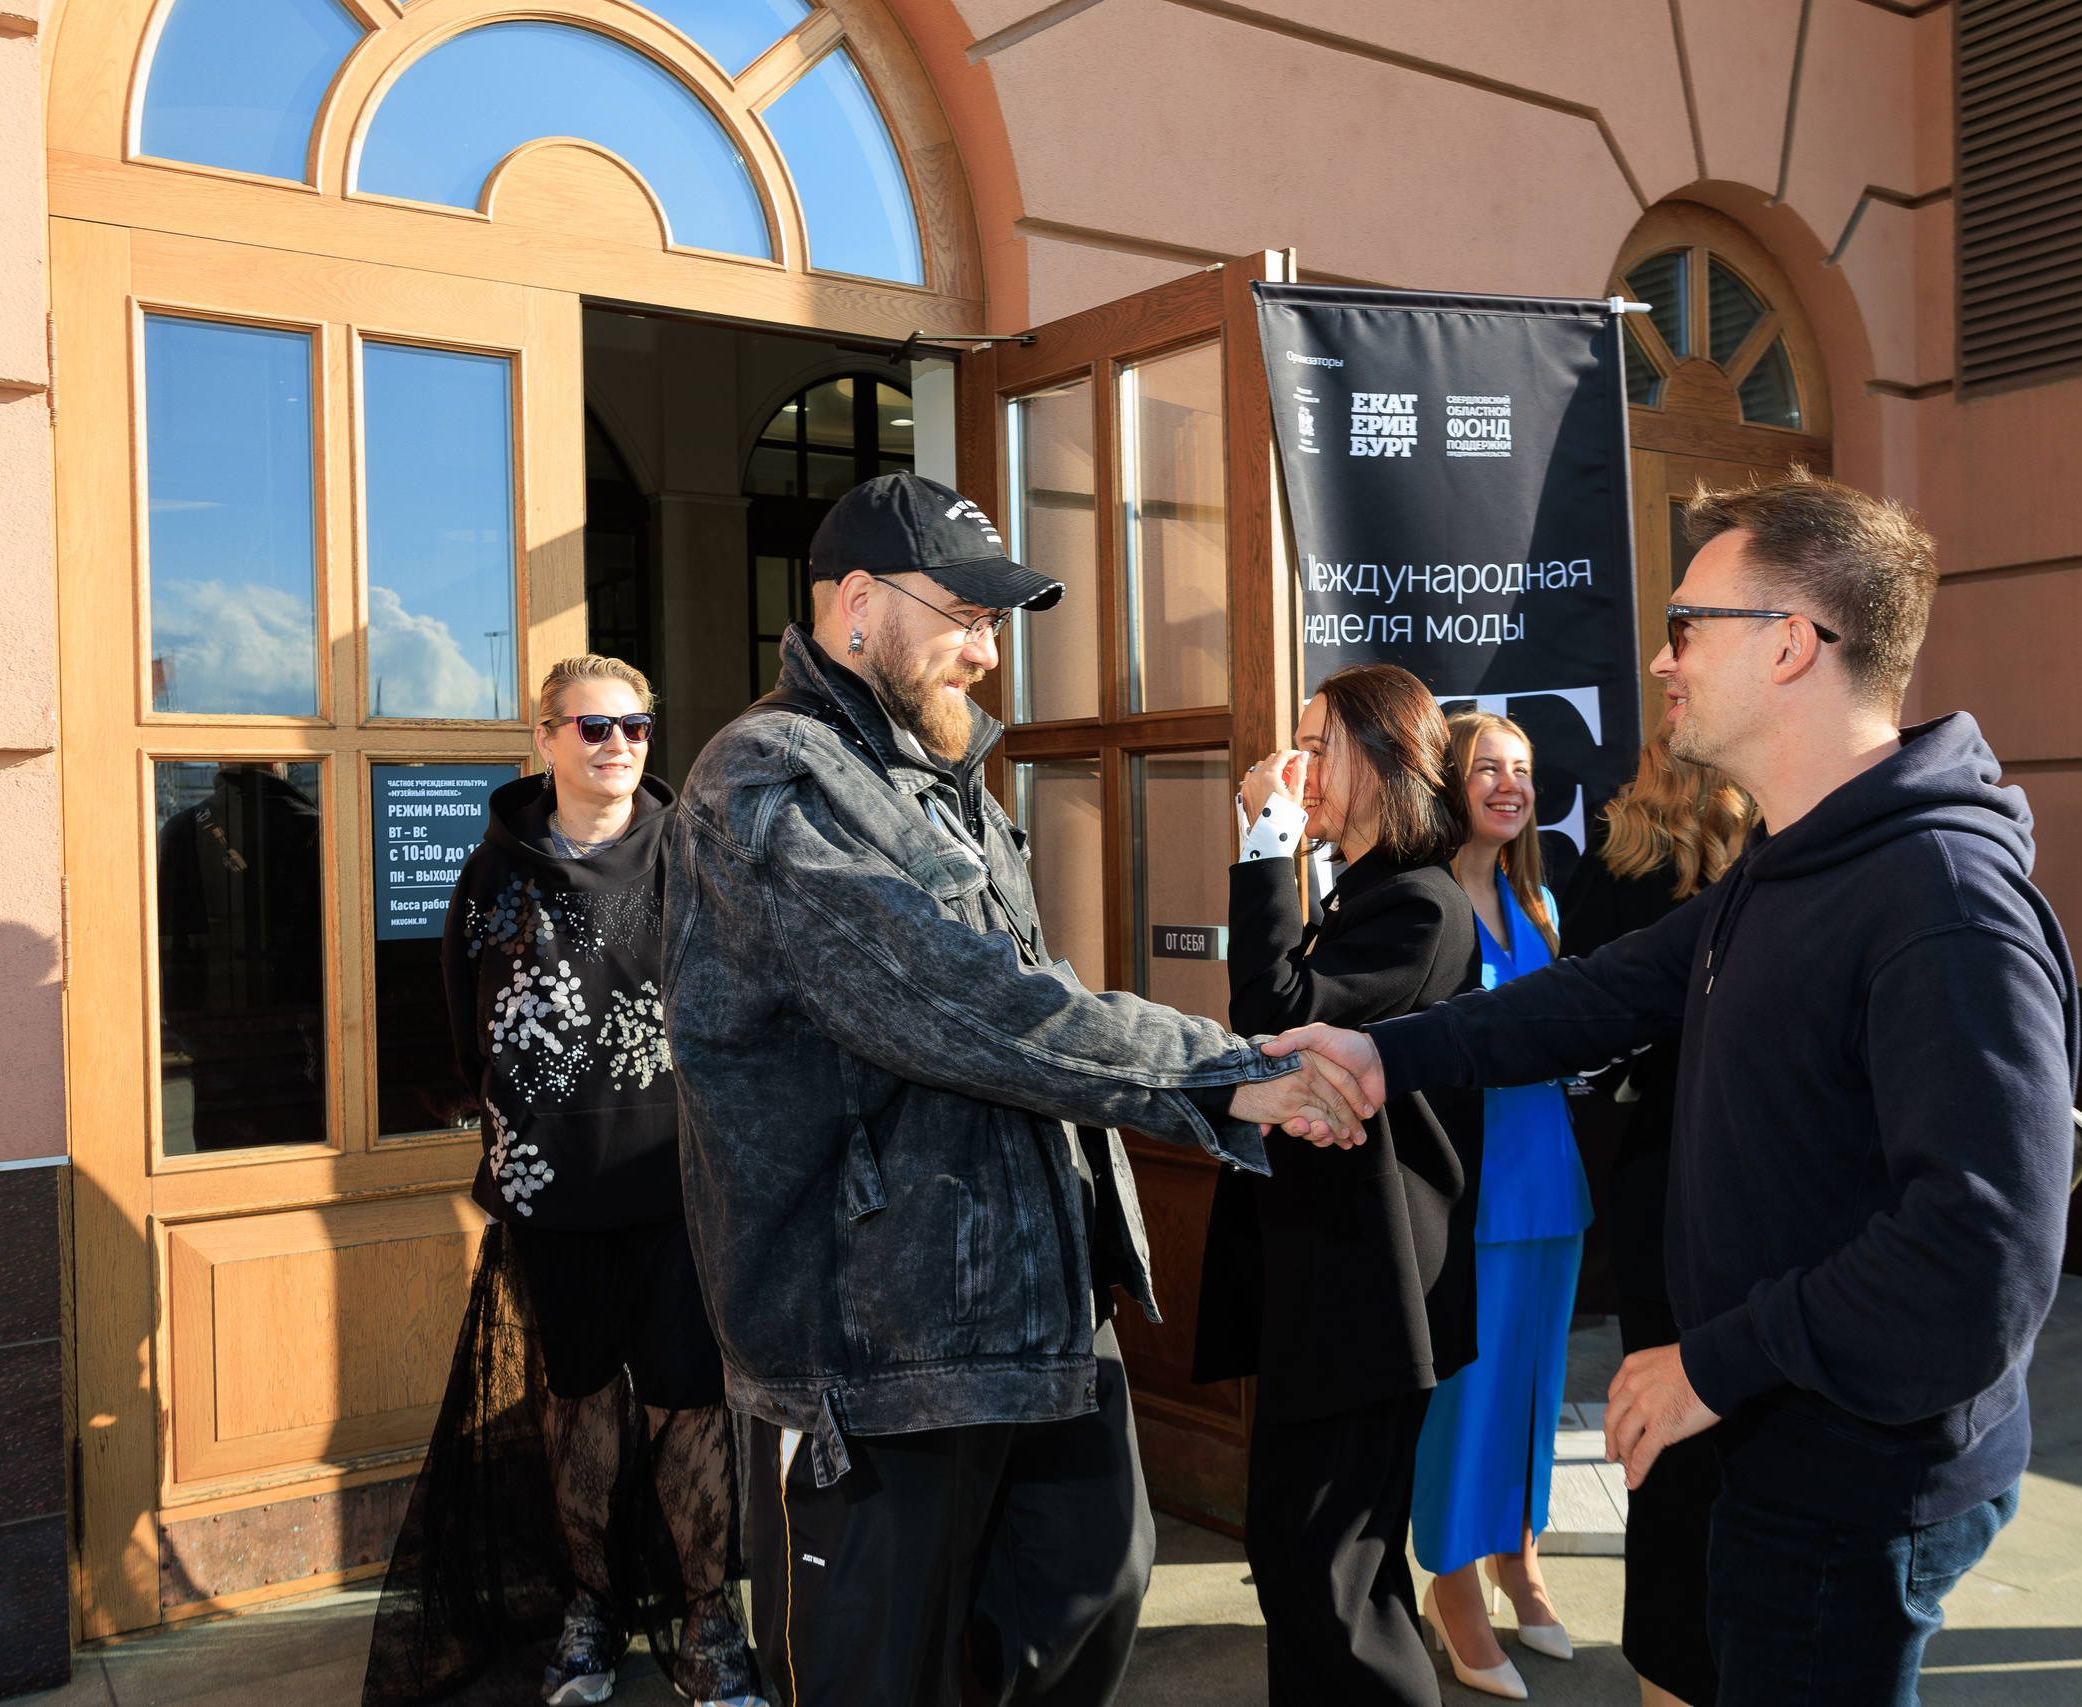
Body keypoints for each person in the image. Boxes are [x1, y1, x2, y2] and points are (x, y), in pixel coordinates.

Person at [1266, 469, 2080, 1707]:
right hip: (1756, 1435)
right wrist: (1387, 1051)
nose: (1661, 660)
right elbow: (1599, 993)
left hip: (1846, 1473)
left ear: (1794, 645)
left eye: (1689, 626)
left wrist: (1713, 1361)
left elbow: (1977, 1259)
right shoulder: (1788, 860)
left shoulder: (1942, 901)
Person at [660, 471, 1363, 1707]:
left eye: (999, 622)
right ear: (858, 605)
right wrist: (1223, 1071)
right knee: (887, 1674)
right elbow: (957, 1002)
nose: (988, 651)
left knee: (1091, 1589)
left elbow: (1027, 992)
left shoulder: (943, 778)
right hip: (881, 1349)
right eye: (965, 615)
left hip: (1036, 1316)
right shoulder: (765, 780)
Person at [364, 656, 760, 1707]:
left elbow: (748, 1011)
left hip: (679, 1187)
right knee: (576, 1405)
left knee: (690, 1405)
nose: (618, 745)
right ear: (542, 739)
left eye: (635, 725)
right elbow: (465, 1035)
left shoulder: (694, 859)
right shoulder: (494, 875)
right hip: (554, 1195)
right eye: (592, 728)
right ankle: (591, 1606)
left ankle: (709, 1617)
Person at [1192, 664, 1482, 1706]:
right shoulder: (1361, 896)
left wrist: (1265, 842)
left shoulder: (1419, 905)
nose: (1293, 766)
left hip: (1370, 1291)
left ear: (1383, 757)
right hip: (1327, 1284)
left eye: (1316, 744)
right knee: (1302, 1564)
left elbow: (1272, 1020)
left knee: (1331, 1582)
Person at [1551, 716, 1753, 1707]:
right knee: (1681, 1441)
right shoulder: (1633, 870)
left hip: (1698, 1183)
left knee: (1686, 1441)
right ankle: (1677, 1670)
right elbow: (1583, 1027)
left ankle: (1684, 1667)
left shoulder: (1772, 857)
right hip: (1677, 1182)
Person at [1406, 710, 1589, 1698]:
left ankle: (1520, 1557)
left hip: (1548, 1185)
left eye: (1522, 770)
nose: (1510, 786)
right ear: (1450, 784)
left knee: (1530, 1392)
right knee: (1464, 1403)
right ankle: (1453, 1581)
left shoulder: (1540, 905)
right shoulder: (1424, 904)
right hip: (1468, 1195)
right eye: (1489, 769)